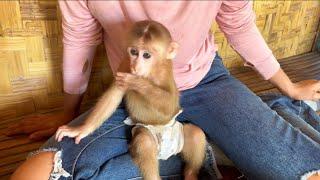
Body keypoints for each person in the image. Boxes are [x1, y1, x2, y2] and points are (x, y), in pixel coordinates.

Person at [10, 1, 320, 180]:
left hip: (205, 81)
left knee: (303, 172)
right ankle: (208, 148)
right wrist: (70, 114)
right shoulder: (129, 69)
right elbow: (80, 37)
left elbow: (238, 24)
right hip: (136, 101)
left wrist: (289, 87)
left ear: (171, 51)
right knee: (36, 171)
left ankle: (204, 146)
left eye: (145, 54)